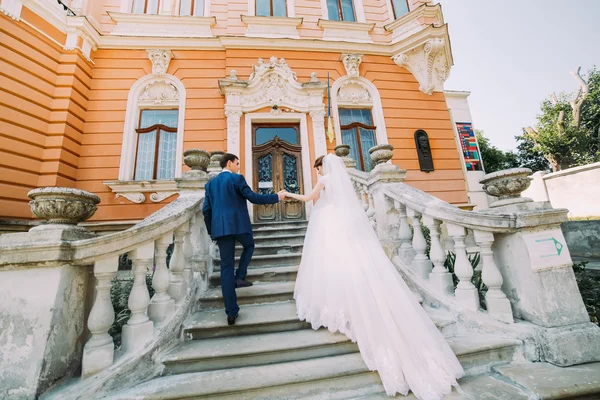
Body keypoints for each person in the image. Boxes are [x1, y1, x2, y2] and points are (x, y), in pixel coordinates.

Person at [283, 154, 464, 399]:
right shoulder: (341, 184)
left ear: (321, 167)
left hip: (329, 228)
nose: (317, 171)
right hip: (344, 229)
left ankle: (339, 306)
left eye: (317, 167)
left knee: (332, 263)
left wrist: (286, 194)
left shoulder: (325, 179)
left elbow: (308, 198)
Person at [202, 153, 286, 325]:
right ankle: (240, 275)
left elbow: (206, 211)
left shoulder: (210, 185)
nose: (238, 166)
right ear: (229, 163)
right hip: (239, 226)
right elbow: (253, 198)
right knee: (249, 245)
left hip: (221, 229)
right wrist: (276, 197)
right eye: (237, 163)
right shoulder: (237, 179)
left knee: (226, 269)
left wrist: (213, 232)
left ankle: (231, 313)